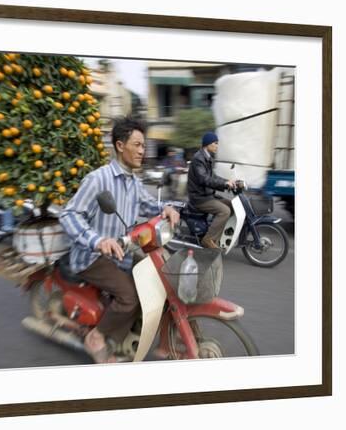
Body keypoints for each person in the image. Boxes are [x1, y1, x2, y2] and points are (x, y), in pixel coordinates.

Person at [59, 117, 180, 364]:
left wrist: (166, 208)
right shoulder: (98, 179)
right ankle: (97, 336)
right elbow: (69, 214)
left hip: (121, 251)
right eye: (136, 145)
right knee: (130, 296)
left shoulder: (133, 181)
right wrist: (97, 240)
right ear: (119, 145)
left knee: (160, 280)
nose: (141, 151)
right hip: (92, 256)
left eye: (143, 146)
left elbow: (148, 204)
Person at [187, 131, 235, 249]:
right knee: (225, 211)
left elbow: (213, 177)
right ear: (207, 144)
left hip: (207, 195)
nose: (217, 146)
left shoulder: (208, 158)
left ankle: (216, 235)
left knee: (232, 205)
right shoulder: (199, 158)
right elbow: (205, 179)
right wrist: (224, 184)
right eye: (215, 143)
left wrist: (228, 182)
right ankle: (208, 240)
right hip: (199, 198)